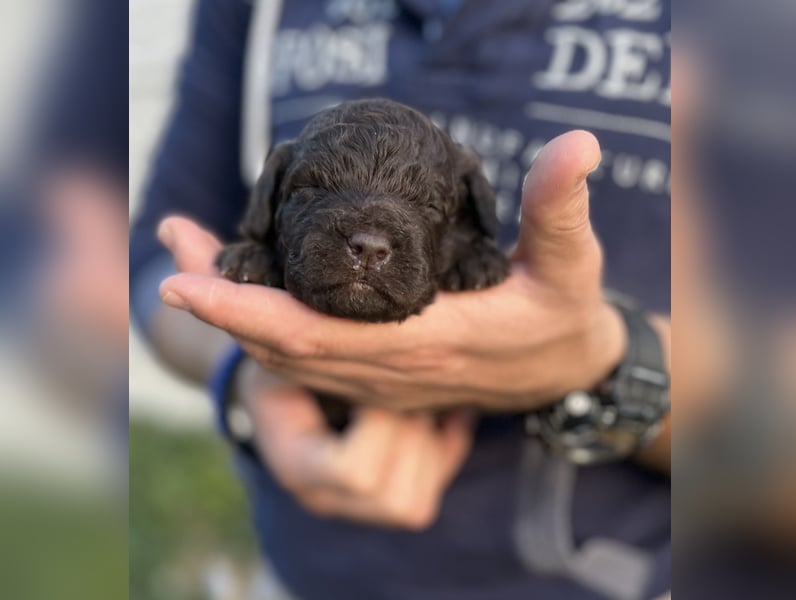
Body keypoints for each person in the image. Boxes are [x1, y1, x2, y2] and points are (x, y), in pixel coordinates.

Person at [130, 1, 671, 598]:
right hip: (303, 572)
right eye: (315, 189)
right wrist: (243, 366)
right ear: (271, 197)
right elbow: (144, 255)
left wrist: (601, 358)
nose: (368, 241)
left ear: (471, 215)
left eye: (428, 204)